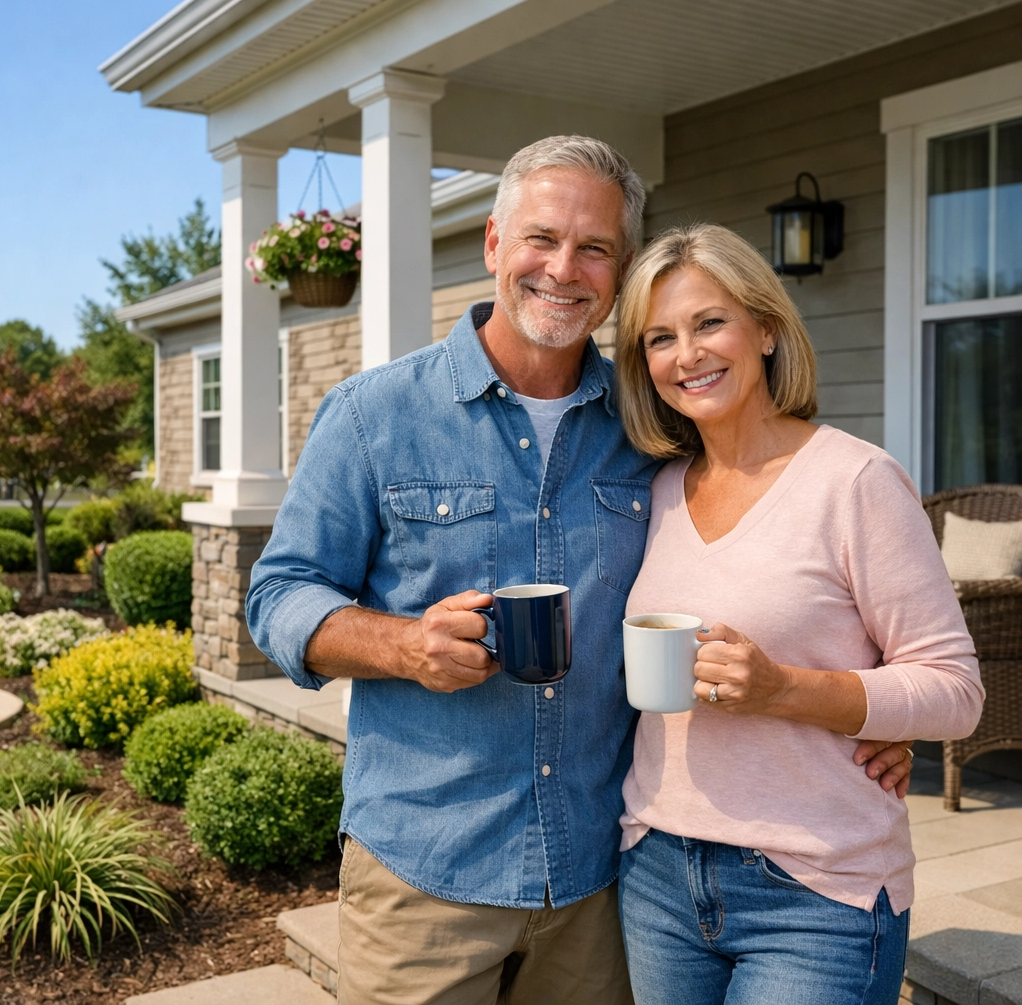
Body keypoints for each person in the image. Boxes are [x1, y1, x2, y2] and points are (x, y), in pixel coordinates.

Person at [246, 138, 913, 1005]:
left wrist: (872, 709)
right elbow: (279, 595)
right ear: (494, 244)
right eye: (542, 238)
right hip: (427, 875)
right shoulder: (374, 416)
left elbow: (764, 556)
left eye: (594, 247)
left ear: (622, 270)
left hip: (600, 882)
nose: (564, 269)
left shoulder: (655, 427)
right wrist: (403, 645)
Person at [612, 223, 984, 1005]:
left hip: (815, 888)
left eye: (710, 322)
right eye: (660, 338)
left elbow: (954, 690)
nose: (688, 354)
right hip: (657, 873)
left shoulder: (855, 481)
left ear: (767, 329)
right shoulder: (654, 490)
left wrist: (786, 690)